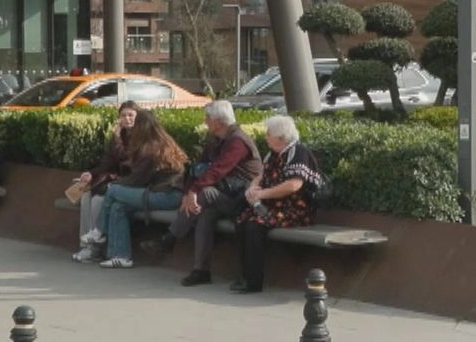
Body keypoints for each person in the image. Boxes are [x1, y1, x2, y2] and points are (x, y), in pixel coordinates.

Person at [143, 100, 261, 286]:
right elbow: (198, 168)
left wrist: (194, 191)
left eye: (208, 118)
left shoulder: (238, 141)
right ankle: (201, 271)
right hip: (222, 195)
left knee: (205, 194)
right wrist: (187, 193)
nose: (205, 121)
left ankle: (169, 239)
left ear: (219, 122)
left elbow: (217, 170)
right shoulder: (215, 139)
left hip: (241, 199)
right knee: (204, 215)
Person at [231, 115, 326, 294]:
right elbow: (261, 176)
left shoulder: (298, 152)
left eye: (269, 134)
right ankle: (244, 276)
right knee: (241, 220)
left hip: (295, 210)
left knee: (254, 225)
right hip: (273, 207)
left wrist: (263, 194)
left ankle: (253, 282)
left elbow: (294, 185)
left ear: (281, 137)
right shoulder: (272, 154)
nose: (266, 136)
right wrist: (252, 188)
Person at [92, 110, 188, 269]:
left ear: (141, 128)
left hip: (167, 195)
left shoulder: (151, 149)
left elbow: (137, 181)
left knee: (113, 190)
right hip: (161, 192)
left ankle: (99, 231)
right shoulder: (160, 142)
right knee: (118, 207)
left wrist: (114, 184)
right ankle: (121, 256)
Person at [71, 102, 139, 262]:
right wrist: (91, 173)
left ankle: (96, 249)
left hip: (131, 183)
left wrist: (116, 139)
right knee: (86, 194)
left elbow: (127, 162)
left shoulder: (141, 137)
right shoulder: (119, 136)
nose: (127, 119)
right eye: (123, 115)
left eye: (131, 115)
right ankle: (86, 245)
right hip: (116, 180)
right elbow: (107, 163)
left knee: (98, 200)